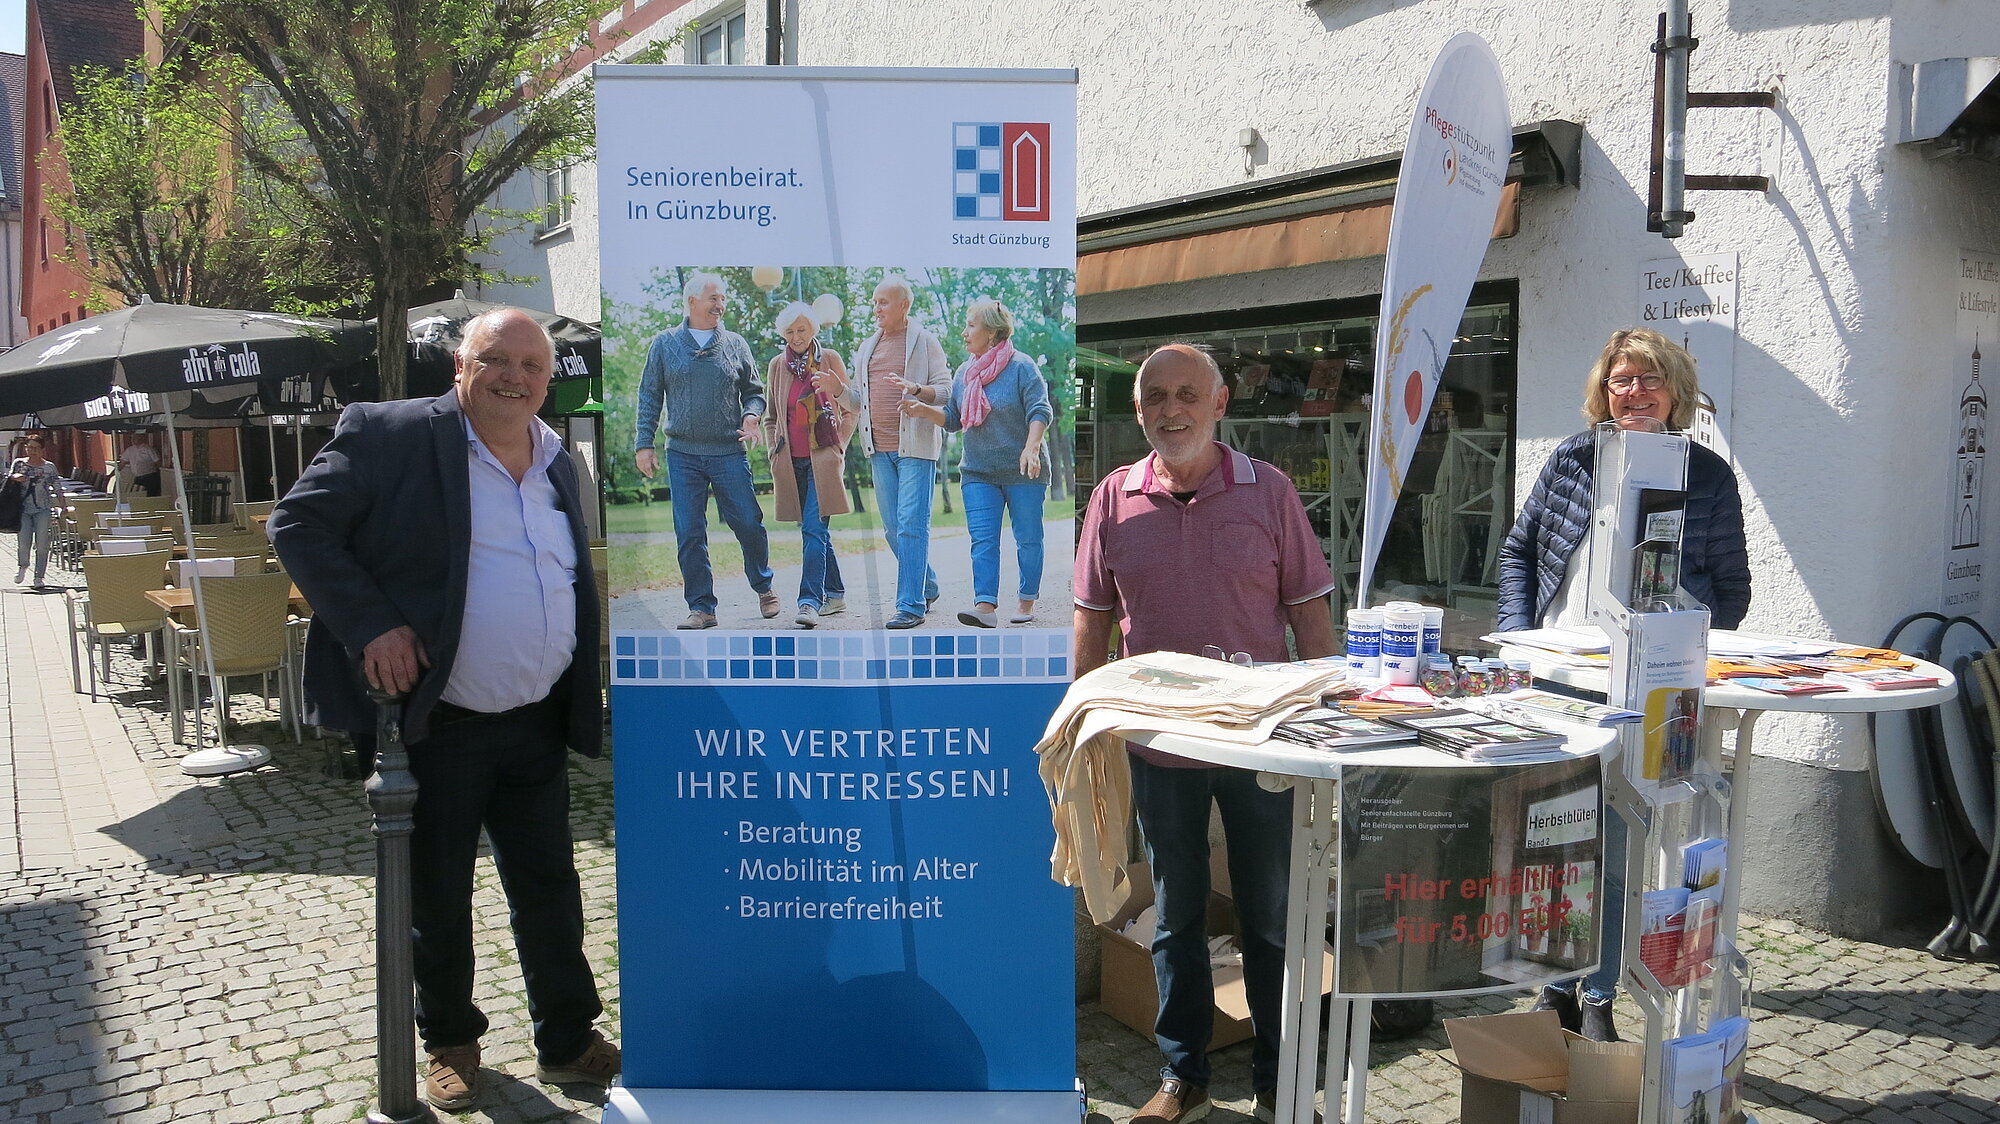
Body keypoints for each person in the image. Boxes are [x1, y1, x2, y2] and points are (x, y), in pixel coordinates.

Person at [268, 309, 617, 1111]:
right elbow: (298, 523)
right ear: (461, 363)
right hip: (440, 722)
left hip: (535, 721)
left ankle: (567, 1040)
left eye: (534, 365)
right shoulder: (390, 434)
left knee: (551, 891)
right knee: (438, 896)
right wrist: (373, 625)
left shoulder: (557, 455)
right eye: (499, 359)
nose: (518, 376)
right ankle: (451, 1044)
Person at [1074, 344, 1337, 1124]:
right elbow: (1091, 623)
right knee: (1176, 917)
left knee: (1269, 917)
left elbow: (1310, 617)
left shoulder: (1271, 492)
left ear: (1221, 404)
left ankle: (1281, 1083)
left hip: (1261, 744)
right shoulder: (1113, 499)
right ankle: (1182, 1075)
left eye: (1187, 394)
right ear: (1138, 411)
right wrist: (1086, 720)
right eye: (1155, 397)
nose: (1170, 409)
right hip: (1161, 748)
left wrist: (1327, 728)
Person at [1497, 327, 1751, 1043]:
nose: (1633, 393)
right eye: (1620, 381)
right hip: (1560, 680)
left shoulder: (1705, 476)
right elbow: (1521, 548)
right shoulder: (1575, 457)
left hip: (1644, 690)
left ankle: (1600, 990)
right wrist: (1522, 636)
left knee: (1615, 845)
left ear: (1676, 393)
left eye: (1648, 380)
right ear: (1601, 392)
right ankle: (1552, 986)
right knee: (1550, 838)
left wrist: (1675, 653)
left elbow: (1731, 589)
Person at [633, 272, 778, 630]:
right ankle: (702, 608)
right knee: (690, 532)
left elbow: (755, 392)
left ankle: (763, 585)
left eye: (723, 298)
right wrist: (644, 444)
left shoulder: (735, 344)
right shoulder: (664, 344)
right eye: (714, 298)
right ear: (692, 302)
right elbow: (650, 395)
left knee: (747, 521)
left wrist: (751, 416)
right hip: (682, 454)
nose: (721, 304)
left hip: (728, 451)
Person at [902, 299, 1052, 628]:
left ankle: (1026, 600)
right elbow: (954, 418)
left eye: (971, 325)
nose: (964, 332)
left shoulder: (1022, 366)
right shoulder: (965, 372)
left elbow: (1040, 410)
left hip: (1022, 471)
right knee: (983, 540)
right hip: (978, 472)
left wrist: (1032, 447)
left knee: (1028, 538)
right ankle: (985, 606)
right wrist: (923, 410)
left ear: (993, 332)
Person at [850, 276, 953, 629]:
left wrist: (918, 390)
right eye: (874, 302)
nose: (876, 308)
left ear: (904, 306)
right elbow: (856, 399)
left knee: (911, 524)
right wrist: (837, 390)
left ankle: (910, 605)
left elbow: (945, 391)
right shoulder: (867, 347)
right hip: (878, 448)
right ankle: (927, 584)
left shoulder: (925, 342)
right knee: (893, 529)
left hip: (916, 448)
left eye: (883, 302)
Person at [763, 302, 859, 629]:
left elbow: (851, 407)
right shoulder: (778, 365)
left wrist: (839, 447)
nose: (796, 337)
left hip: (823, 460)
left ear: (813, 330)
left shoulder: (829, 359)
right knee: (813, 531)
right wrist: (772, 452)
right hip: (791, 464)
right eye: (789, 332)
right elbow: (772, 416)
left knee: (814, 529)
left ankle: (809, 602)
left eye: (801, 330)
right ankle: (835, 592)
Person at [10, 436, 62, 587]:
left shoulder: (49, 467)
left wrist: (62, 505)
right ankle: (23, 566)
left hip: (43, 508)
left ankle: (39, 576)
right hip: (22, 509)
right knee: (24, 542)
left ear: (42, 450)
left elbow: (57, 485)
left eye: (35, 448)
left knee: (43, 543)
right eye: (29, 447)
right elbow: (8, 478)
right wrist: (15, 477)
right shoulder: (19, 463)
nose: (32, 451)